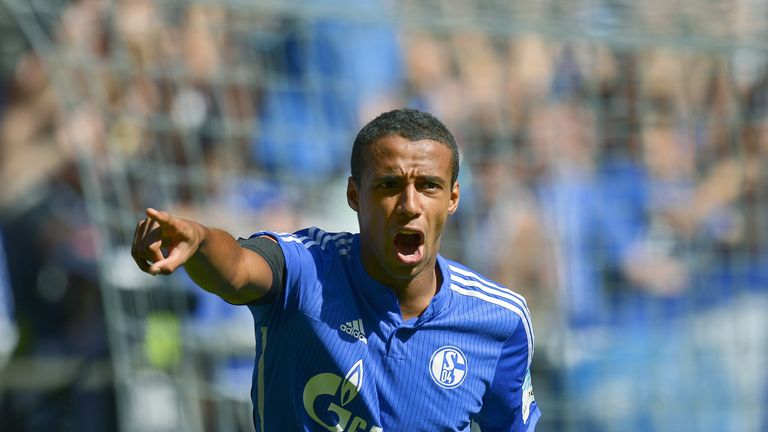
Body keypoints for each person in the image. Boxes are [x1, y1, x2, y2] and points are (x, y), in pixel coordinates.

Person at [131, 108, 540, 431]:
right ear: (353, 195)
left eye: (429, 186)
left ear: (452, 198)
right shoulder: (307, 270)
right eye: (389, 185)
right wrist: (200, 241)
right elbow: (238, 269)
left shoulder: (499, 322)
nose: (410, 205)